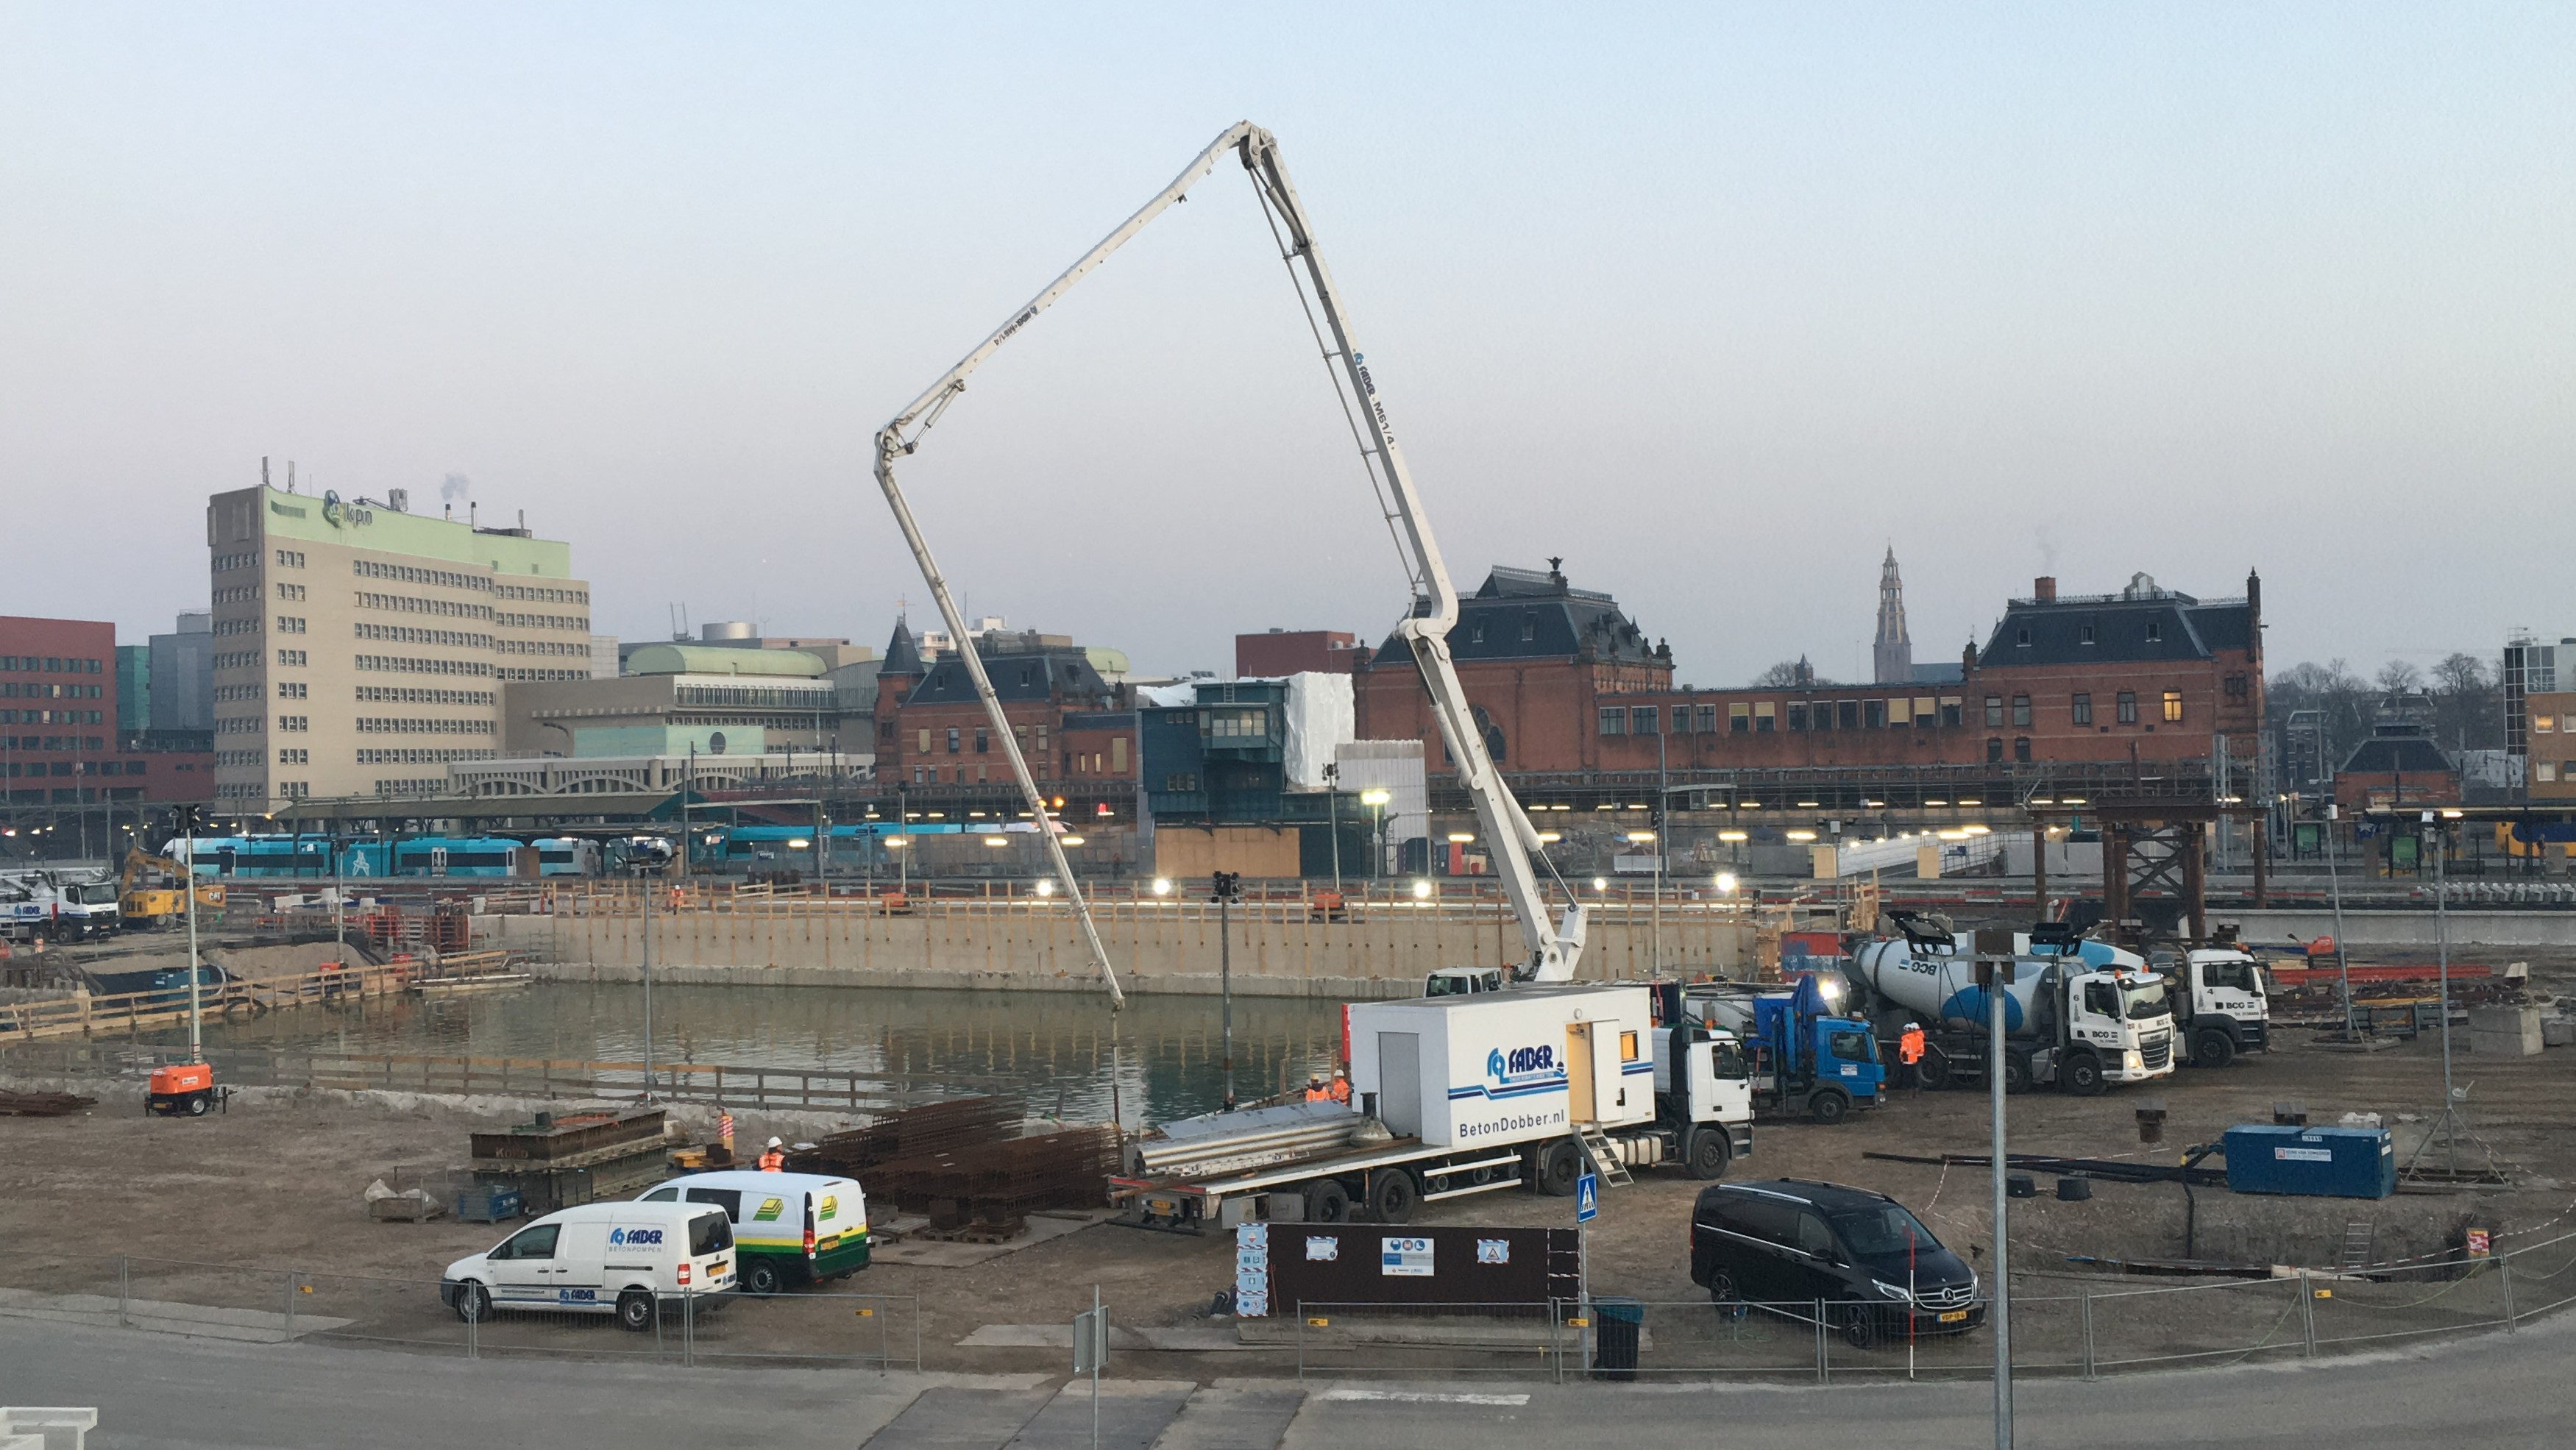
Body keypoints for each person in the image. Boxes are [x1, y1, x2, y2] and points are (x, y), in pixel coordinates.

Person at [1898, 1021, 1926, 1095]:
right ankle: (1917, 1091)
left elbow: (1903, 1050)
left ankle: (1910, 1092)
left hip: (1907, 1059)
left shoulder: (1906, 1039)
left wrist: (1901, 1057)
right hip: (1914, 1058)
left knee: (1908, 1076)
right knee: (1915, 1075)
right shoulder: (1916, 1038)